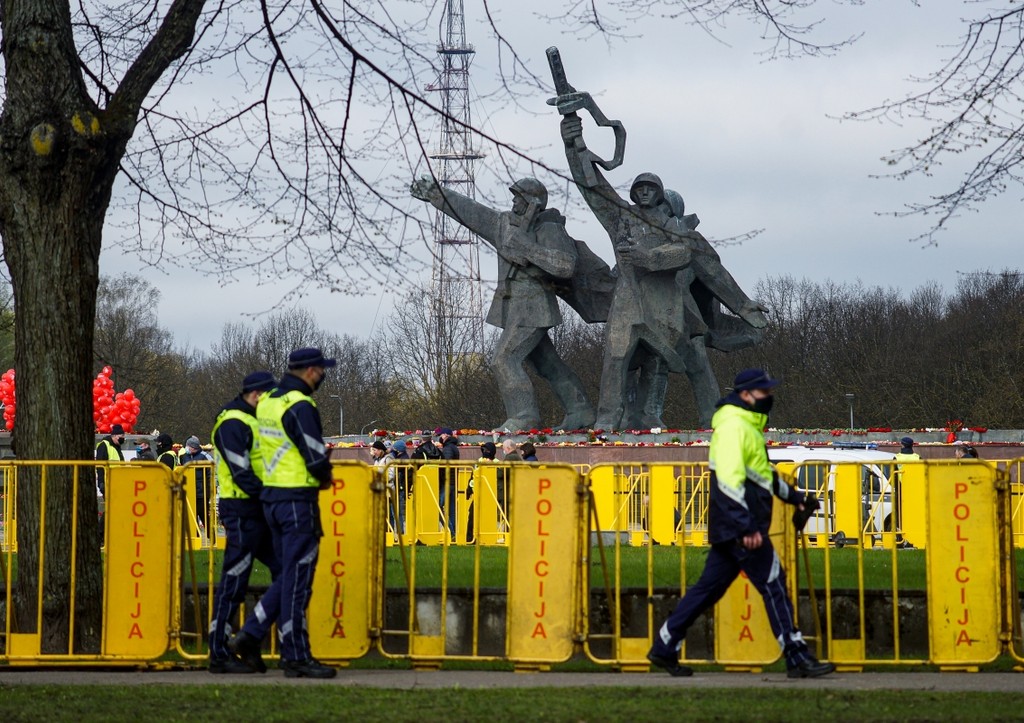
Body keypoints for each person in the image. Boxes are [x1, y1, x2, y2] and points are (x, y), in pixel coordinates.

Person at [560, 115, 767, 429]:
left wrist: (744, 306)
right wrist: (573, 145)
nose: (644, 193)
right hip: (627, 306)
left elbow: (710, 270)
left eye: (650, 188)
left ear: (661, 195)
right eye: (639, 188)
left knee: (680, 360)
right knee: (616, 359)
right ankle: (607, 419)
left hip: (666, 311)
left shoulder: (678, 231)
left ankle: (703, 418)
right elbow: (592, 188)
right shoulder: (621, 219)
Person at [647, 368, 835, 679]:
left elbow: (762, 474)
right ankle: (796, 656)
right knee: (773, 583)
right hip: (741, 528)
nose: (769, 397)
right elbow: (730, 481)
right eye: (764, 392)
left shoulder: (745, 425)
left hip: (732, 526)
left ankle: (664, 646)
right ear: (746, 394)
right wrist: (746, 527)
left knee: (707, 590)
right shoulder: (736, 426)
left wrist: (796, 498)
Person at [412, 176, 596, 431]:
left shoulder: (549, 228)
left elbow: (565, 265)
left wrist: (527, 248)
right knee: (547, 363)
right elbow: (473, 214)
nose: (513, 201)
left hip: (534, 306)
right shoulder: (505, 225)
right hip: (514, 306)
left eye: (519, 197)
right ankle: (581, 410)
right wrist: (437, 194)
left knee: (504, 359)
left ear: (534, 202)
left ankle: (523, 417)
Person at [229, 347, 337, 679]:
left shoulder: (269, 403)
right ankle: (295, 656)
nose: (322, 376)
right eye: (321, 371)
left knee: (290, 574)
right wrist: (324, 478)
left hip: (272, 499)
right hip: (297, 500)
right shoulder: (299, 404)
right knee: (298, 579)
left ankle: (252, 633)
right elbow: (315, 454)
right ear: (308, 372)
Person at [208, 371, 282, 674]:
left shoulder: (251, 420)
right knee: (233, 582)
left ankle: (251, 637)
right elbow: (242, 472)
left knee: (289, 571)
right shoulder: (233, 423)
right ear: (257, 395)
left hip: (257, 510)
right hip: (241, 510)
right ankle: (218, 652)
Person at [180, 435, 214, 532]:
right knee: (192, 516)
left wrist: (208, 490)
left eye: (187, 446)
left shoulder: (204, 456)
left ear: (193, 447)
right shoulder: (184, 457)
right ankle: (195, 536)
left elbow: (210, 473)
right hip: (189, 492)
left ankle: (211, 537)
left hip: (201, 493)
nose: (186, 448)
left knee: (203, 516)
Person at [436, 427, 461, 539]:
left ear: (445, 435)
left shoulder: (448, 448)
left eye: (440, 435)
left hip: (447, 481)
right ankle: (454, 533)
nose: (440, 437)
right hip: (453, 481)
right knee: (452, 510)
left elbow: (445, 463)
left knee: (438, 506)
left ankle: (451, 531)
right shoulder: (453, 447)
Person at [386, 439, 411, 543]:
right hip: (398, 487)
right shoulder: (401, 457)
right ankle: (397, 533)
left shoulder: (402, 460)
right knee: (395, 512)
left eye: (394, 449)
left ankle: (400, 534)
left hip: (399, 488)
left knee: (397, 513)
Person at [95, 423, 126, 496]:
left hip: (118, 484)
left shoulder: (117, 446)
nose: (123, 438)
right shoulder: (104, 445)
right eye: (121, 436)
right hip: (108, 483)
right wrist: (101, 482)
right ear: (114, 436)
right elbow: (100, 465)